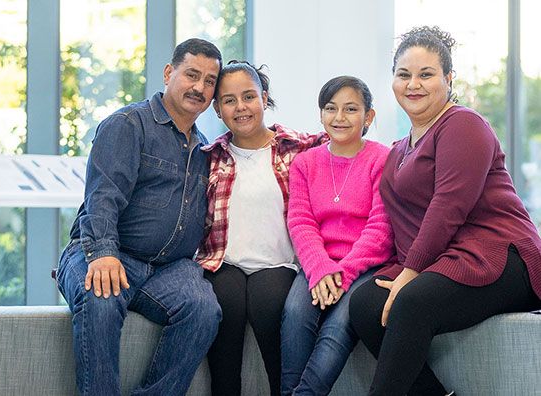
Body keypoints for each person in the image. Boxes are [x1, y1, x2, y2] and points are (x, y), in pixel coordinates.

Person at [348, 26, 541, 396]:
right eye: (403, 74)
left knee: (411, 301)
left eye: (426, 74)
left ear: (448, 79)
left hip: (502, 255)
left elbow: (448, 207)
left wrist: (411, 273)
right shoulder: (398, 150)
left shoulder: (464, 124)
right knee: (365, 303)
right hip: (448, 256)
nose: (413, 84)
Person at [55, 38, 223, 396]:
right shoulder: (128, 125)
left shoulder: (204, 146)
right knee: (100, 298)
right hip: (105, 251)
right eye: (192, 74)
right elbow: (101, 199)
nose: (200, 87)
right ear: (168, 72)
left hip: (166, 271)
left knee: (204, 309)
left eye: (210, 81)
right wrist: (102, 254)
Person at [196, 60, 327, 396]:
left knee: (271, 309)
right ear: (217, 109)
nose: (241, 107)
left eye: (249, 96)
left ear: (264, 98)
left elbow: (346, 141)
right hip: (223, 263)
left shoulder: (300, 147)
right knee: (223, 314)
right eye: (229, 100)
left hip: (279, 264)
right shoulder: (207, 158)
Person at [280, 76, 396, 396]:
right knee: (294, 313)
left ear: (368, 117)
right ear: (321, 115)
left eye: (350, 109)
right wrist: (320, 269)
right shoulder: (305, 163)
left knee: (339, 324)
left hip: (366, 265)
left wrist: (342, 275)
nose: (339, 117)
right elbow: (301, 223)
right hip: (319, 262)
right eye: (331, 109)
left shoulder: (382, 159)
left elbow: (380, 229)